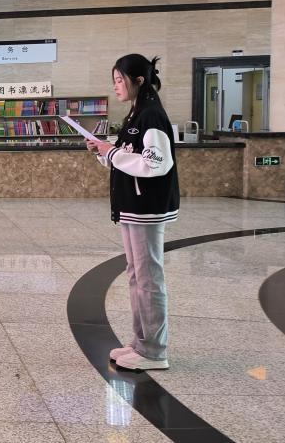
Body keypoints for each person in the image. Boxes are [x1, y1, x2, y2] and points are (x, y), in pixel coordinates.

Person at [87, 53, 179, 372]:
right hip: (132, 208)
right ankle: (141, 342)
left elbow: (156, 163)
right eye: (113, 80)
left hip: (146, 209)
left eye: (119, 80)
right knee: (137, 276)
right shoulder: (136, 114)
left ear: (138, 80)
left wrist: (111, 152)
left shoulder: (151, 116)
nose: (115, 86)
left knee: (148, 279)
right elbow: (128, 156)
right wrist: (105, 152)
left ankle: (154, 350)